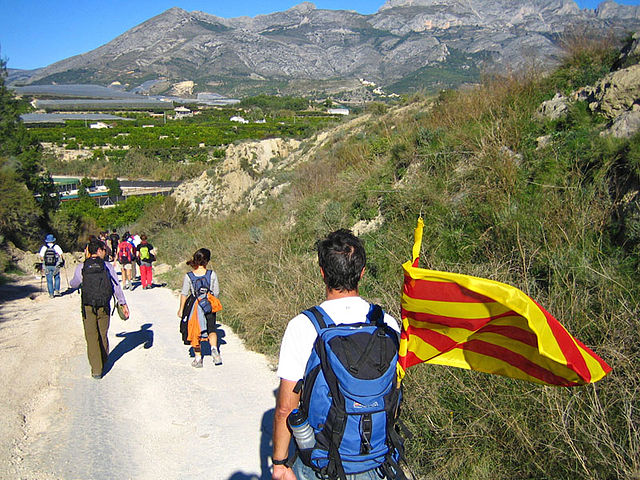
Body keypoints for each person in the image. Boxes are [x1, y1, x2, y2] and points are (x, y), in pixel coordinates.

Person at [272, 229, 400, 480]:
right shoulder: (387, 323)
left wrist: (279, 463)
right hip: (379, 460)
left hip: (323, 464)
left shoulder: (304, 326)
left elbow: (286, 408)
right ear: (362, 272)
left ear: (322, 273)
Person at [70, 239, 129, 379]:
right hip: (104, 305)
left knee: (91, 336)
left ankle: (96, 369)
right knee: (103, 333)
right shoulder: (107, 266)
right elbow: (116, 286)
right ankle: (103, 360)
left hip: (88, 305)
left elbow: (74, 284)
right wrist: (122, 302)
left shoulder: (82, 267)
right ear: (98, 250)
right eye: (103, 250)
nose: (105, 252)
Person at [177, 248, 222, 367]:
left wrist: (181, 309)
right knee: (211, 328)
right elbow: (216, 292)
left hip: (194, 305)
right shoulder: (212, 274)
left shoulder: (189, 276)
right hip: (209, 304)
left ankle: (198, 358)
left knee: (194, 330)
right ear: (207, 261)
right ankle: (214, 350)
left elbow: (184, 293)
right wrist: (210, 301)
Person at [38, 234, 65, 298]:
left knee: (49, 279)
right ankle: (57, 290)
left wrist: (44, 261)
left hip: (47, 265)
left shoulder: (44, 248)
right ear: (53, 240)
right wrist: (61, 262)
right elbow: (61, 255)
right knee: (57, 277)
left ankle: (51, 294)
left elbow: (41, 257)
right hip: (55, 265)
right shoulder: (56, 247)